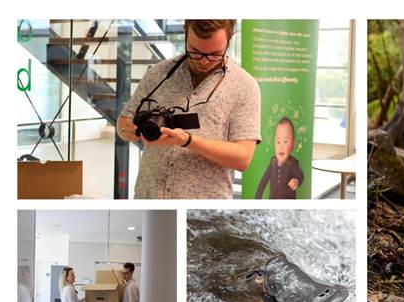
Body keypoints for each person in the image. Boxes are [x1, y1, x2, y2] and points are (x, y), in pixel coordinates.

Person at [117, 19, 261, 199]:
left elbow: (242, 158)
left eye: (214, 54)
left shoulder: (244, 86)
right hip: (147, 198)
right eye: (195, 51)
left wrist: (187, 140)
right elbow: (124, 121)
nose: (204, 61)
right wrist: (128, 130)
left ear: (230, 38)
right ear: (185, 34)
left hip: (203, 208)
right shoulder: (158, 73)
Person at [255, 117, 304, 199]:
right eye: (278, 142)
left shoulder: (292, 163)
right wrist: (257, 197)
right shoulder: (273, 162)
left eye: (285, 141)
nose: (281, 146)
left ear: (293, 144)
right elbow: (263, 181)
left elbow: (300, 175)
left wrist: (296, 181)